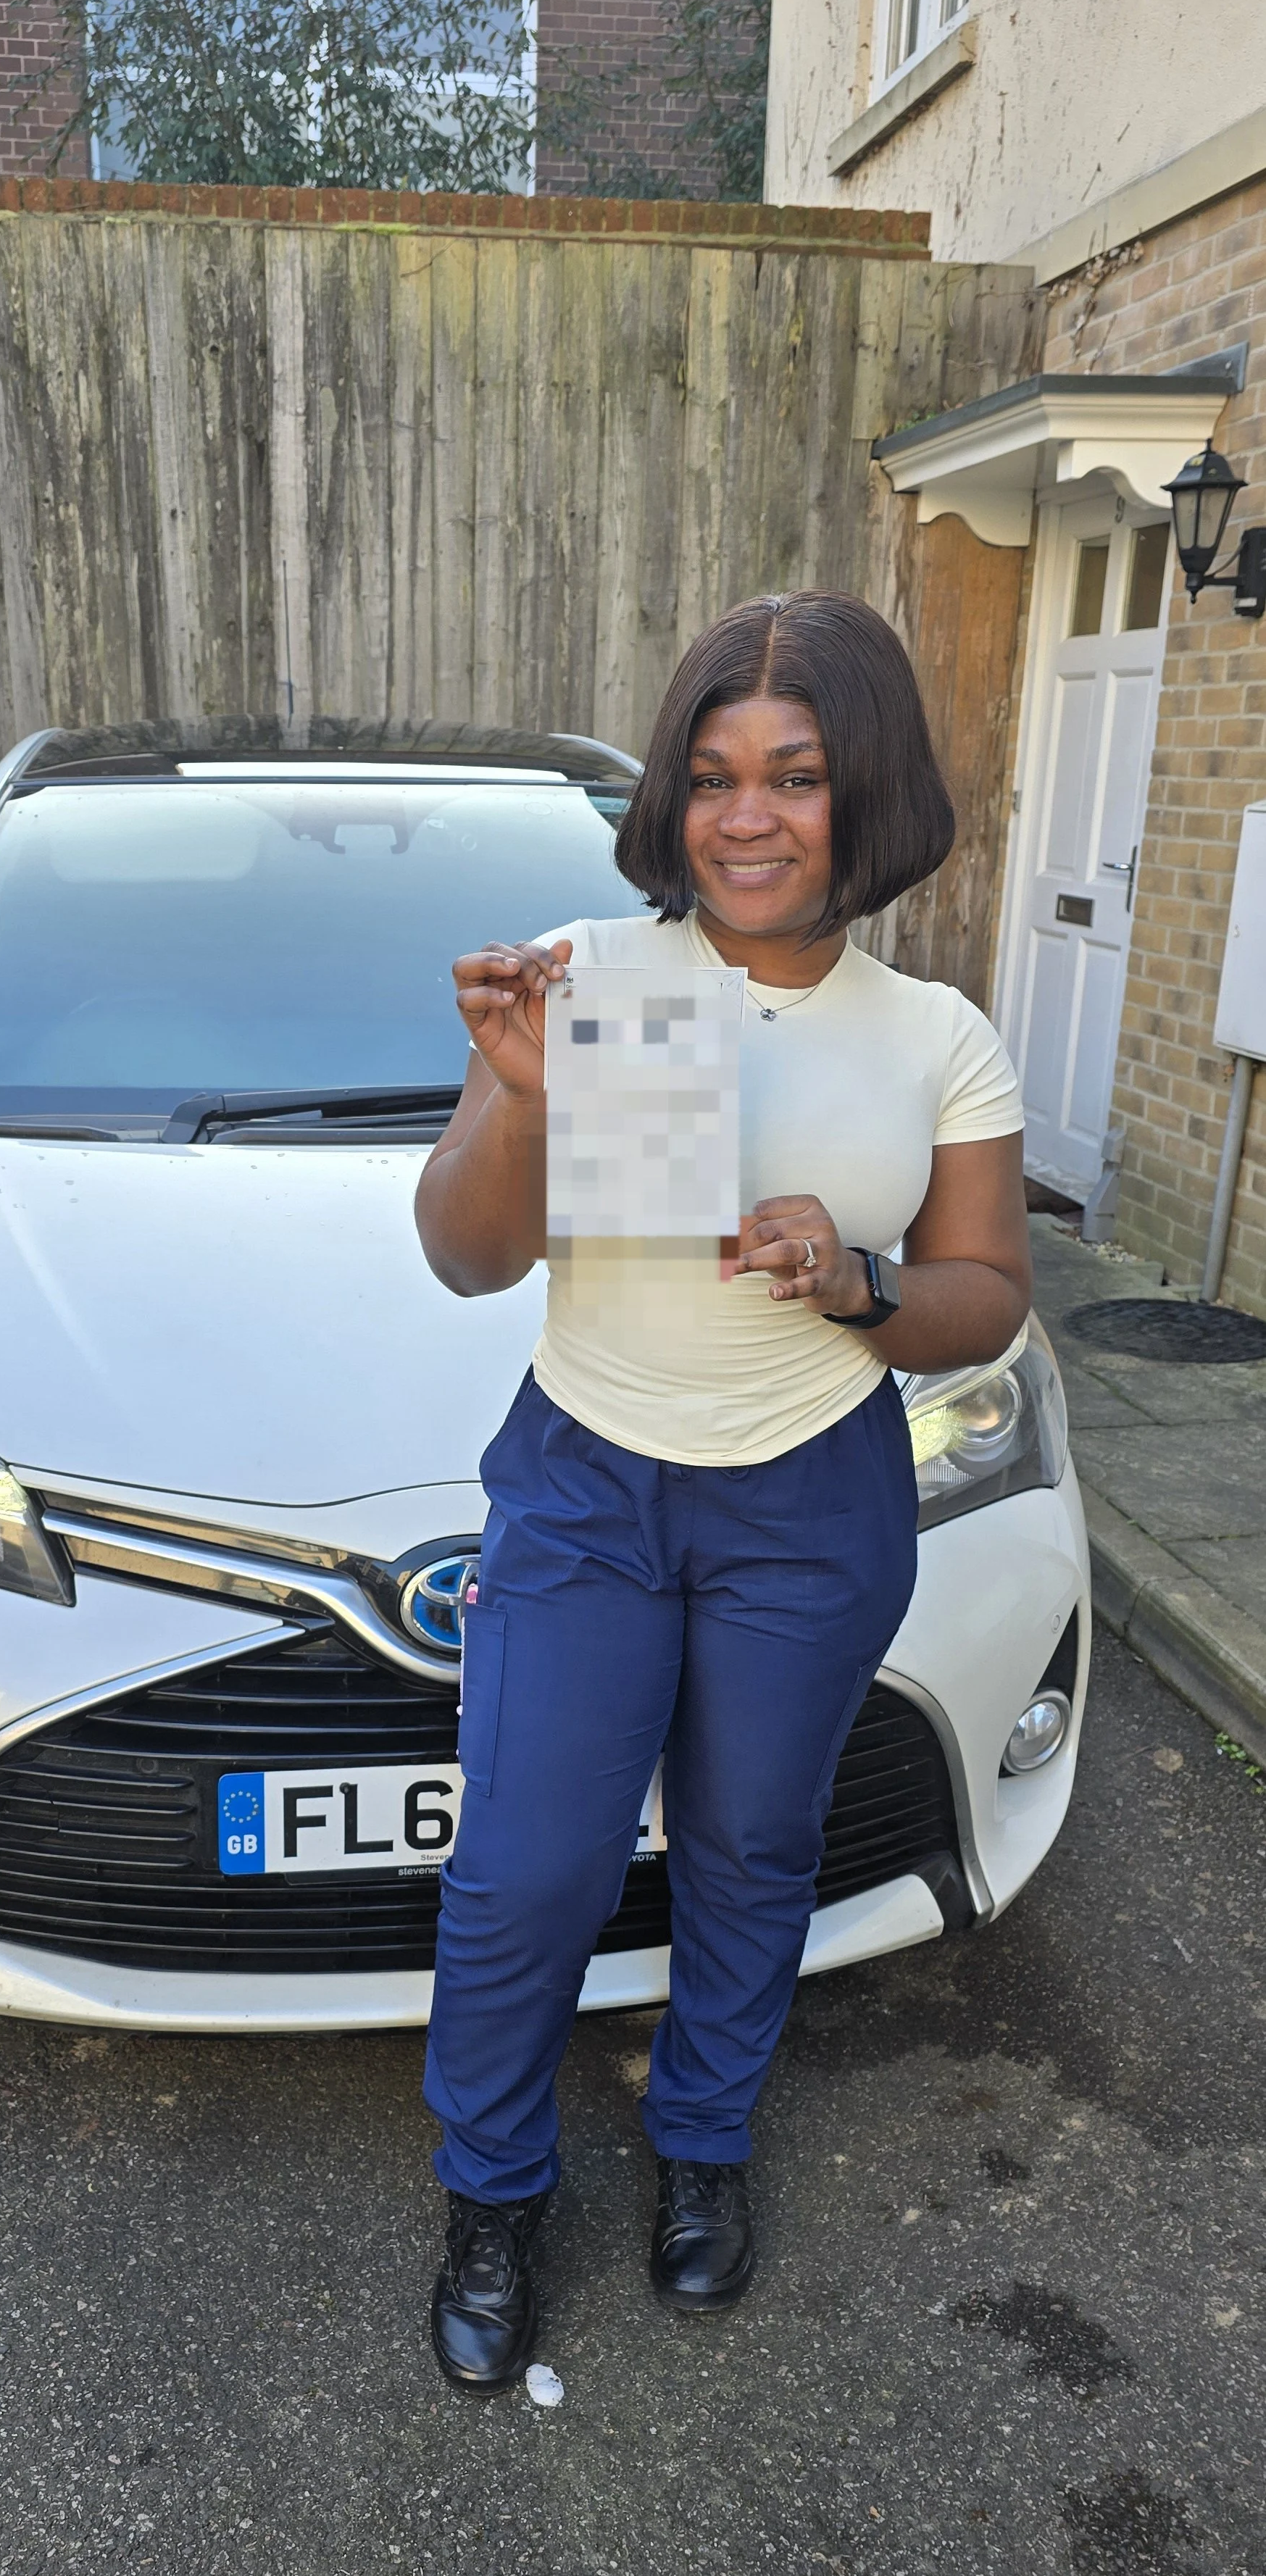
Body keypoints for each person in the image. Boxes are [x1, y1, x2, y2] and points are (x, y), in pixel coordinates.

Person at [412, 589, 1030, 2392]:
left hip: (807, 1497)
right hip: (592, 1478)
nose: (744, 816)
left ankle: (702, 2142)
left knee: (754, 1851)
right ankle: (494, 2185)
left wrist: (857, 1276)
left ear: (869, 795)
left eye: (795, 774)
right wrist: (520, 1098)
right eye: (709, 777)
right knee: (527, 1869)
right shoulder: (585, 977)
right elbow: (466, 1254)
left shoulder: (933, 1035)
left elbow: (984, 1297)